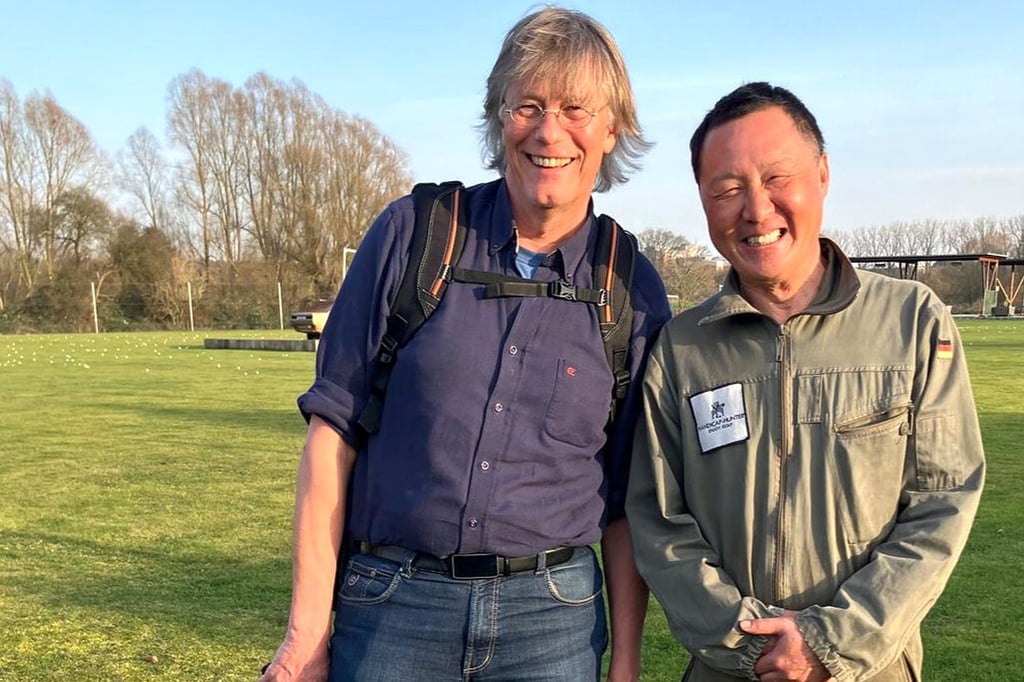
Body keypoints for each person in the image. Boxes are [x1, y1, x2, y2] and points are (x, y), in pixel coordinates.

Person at [260, 7, 671, 682]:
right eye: (527, 105)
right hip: (394, 607)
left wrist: (624, 662)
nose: (549, 131)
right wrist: (306, 634)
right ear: (496, 116)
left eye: (574, 108)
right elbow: (330, 439)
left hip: (553, 621)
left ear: (610, 129)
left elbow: (628, 501)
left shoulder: (631, 287)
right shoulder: (413, 235)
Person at [625, 82, 985, 682]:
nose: (757, 210)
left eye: (776, 178)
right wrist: (752, 649)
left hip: (872, 670)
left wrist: (829, 643)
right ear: (704, 201)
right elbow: (660, 520)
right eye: (728, 188)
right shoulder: (681, 349)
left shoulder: (914, 320)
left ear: (821, 174)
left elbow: (943, 502)